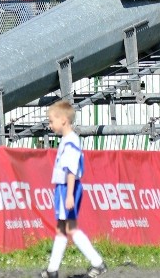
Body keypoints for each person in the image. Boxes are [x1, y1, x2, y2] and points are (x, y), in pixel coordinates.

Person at [41, 100, 107, 278]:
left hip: (67, 188)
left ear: (63, 120)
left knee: (69, 228)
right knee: (62, 228)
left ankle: (97, 263)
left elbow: (71, 170)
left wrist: (69, 194)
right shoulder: (67, 140)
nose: (50, 124)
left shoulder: (70, 142)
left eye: (51, 120)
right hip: (65, 188)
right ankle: (52, 270)